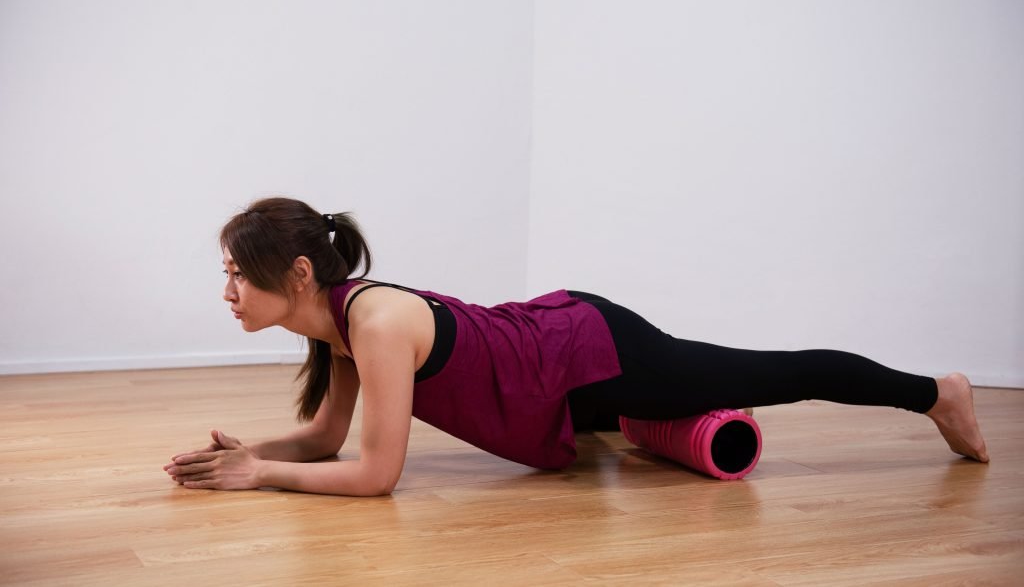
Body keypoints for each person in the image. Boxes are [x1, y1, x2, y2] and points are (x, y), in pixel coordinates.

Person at [164, 197, 990, 496]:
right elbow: (327, 441)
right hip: (553, 381)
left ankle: (937, 392)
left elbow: (378, 476)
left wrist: (258, 475)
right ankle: (682, 418)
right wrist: (254, 452)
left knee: (766, 375)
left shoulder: (373, 322)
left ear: (299, 273)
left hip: (589, 348)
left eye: (238, 275)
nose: (228, 292)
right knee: (675, 415)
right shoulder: (339, 328)